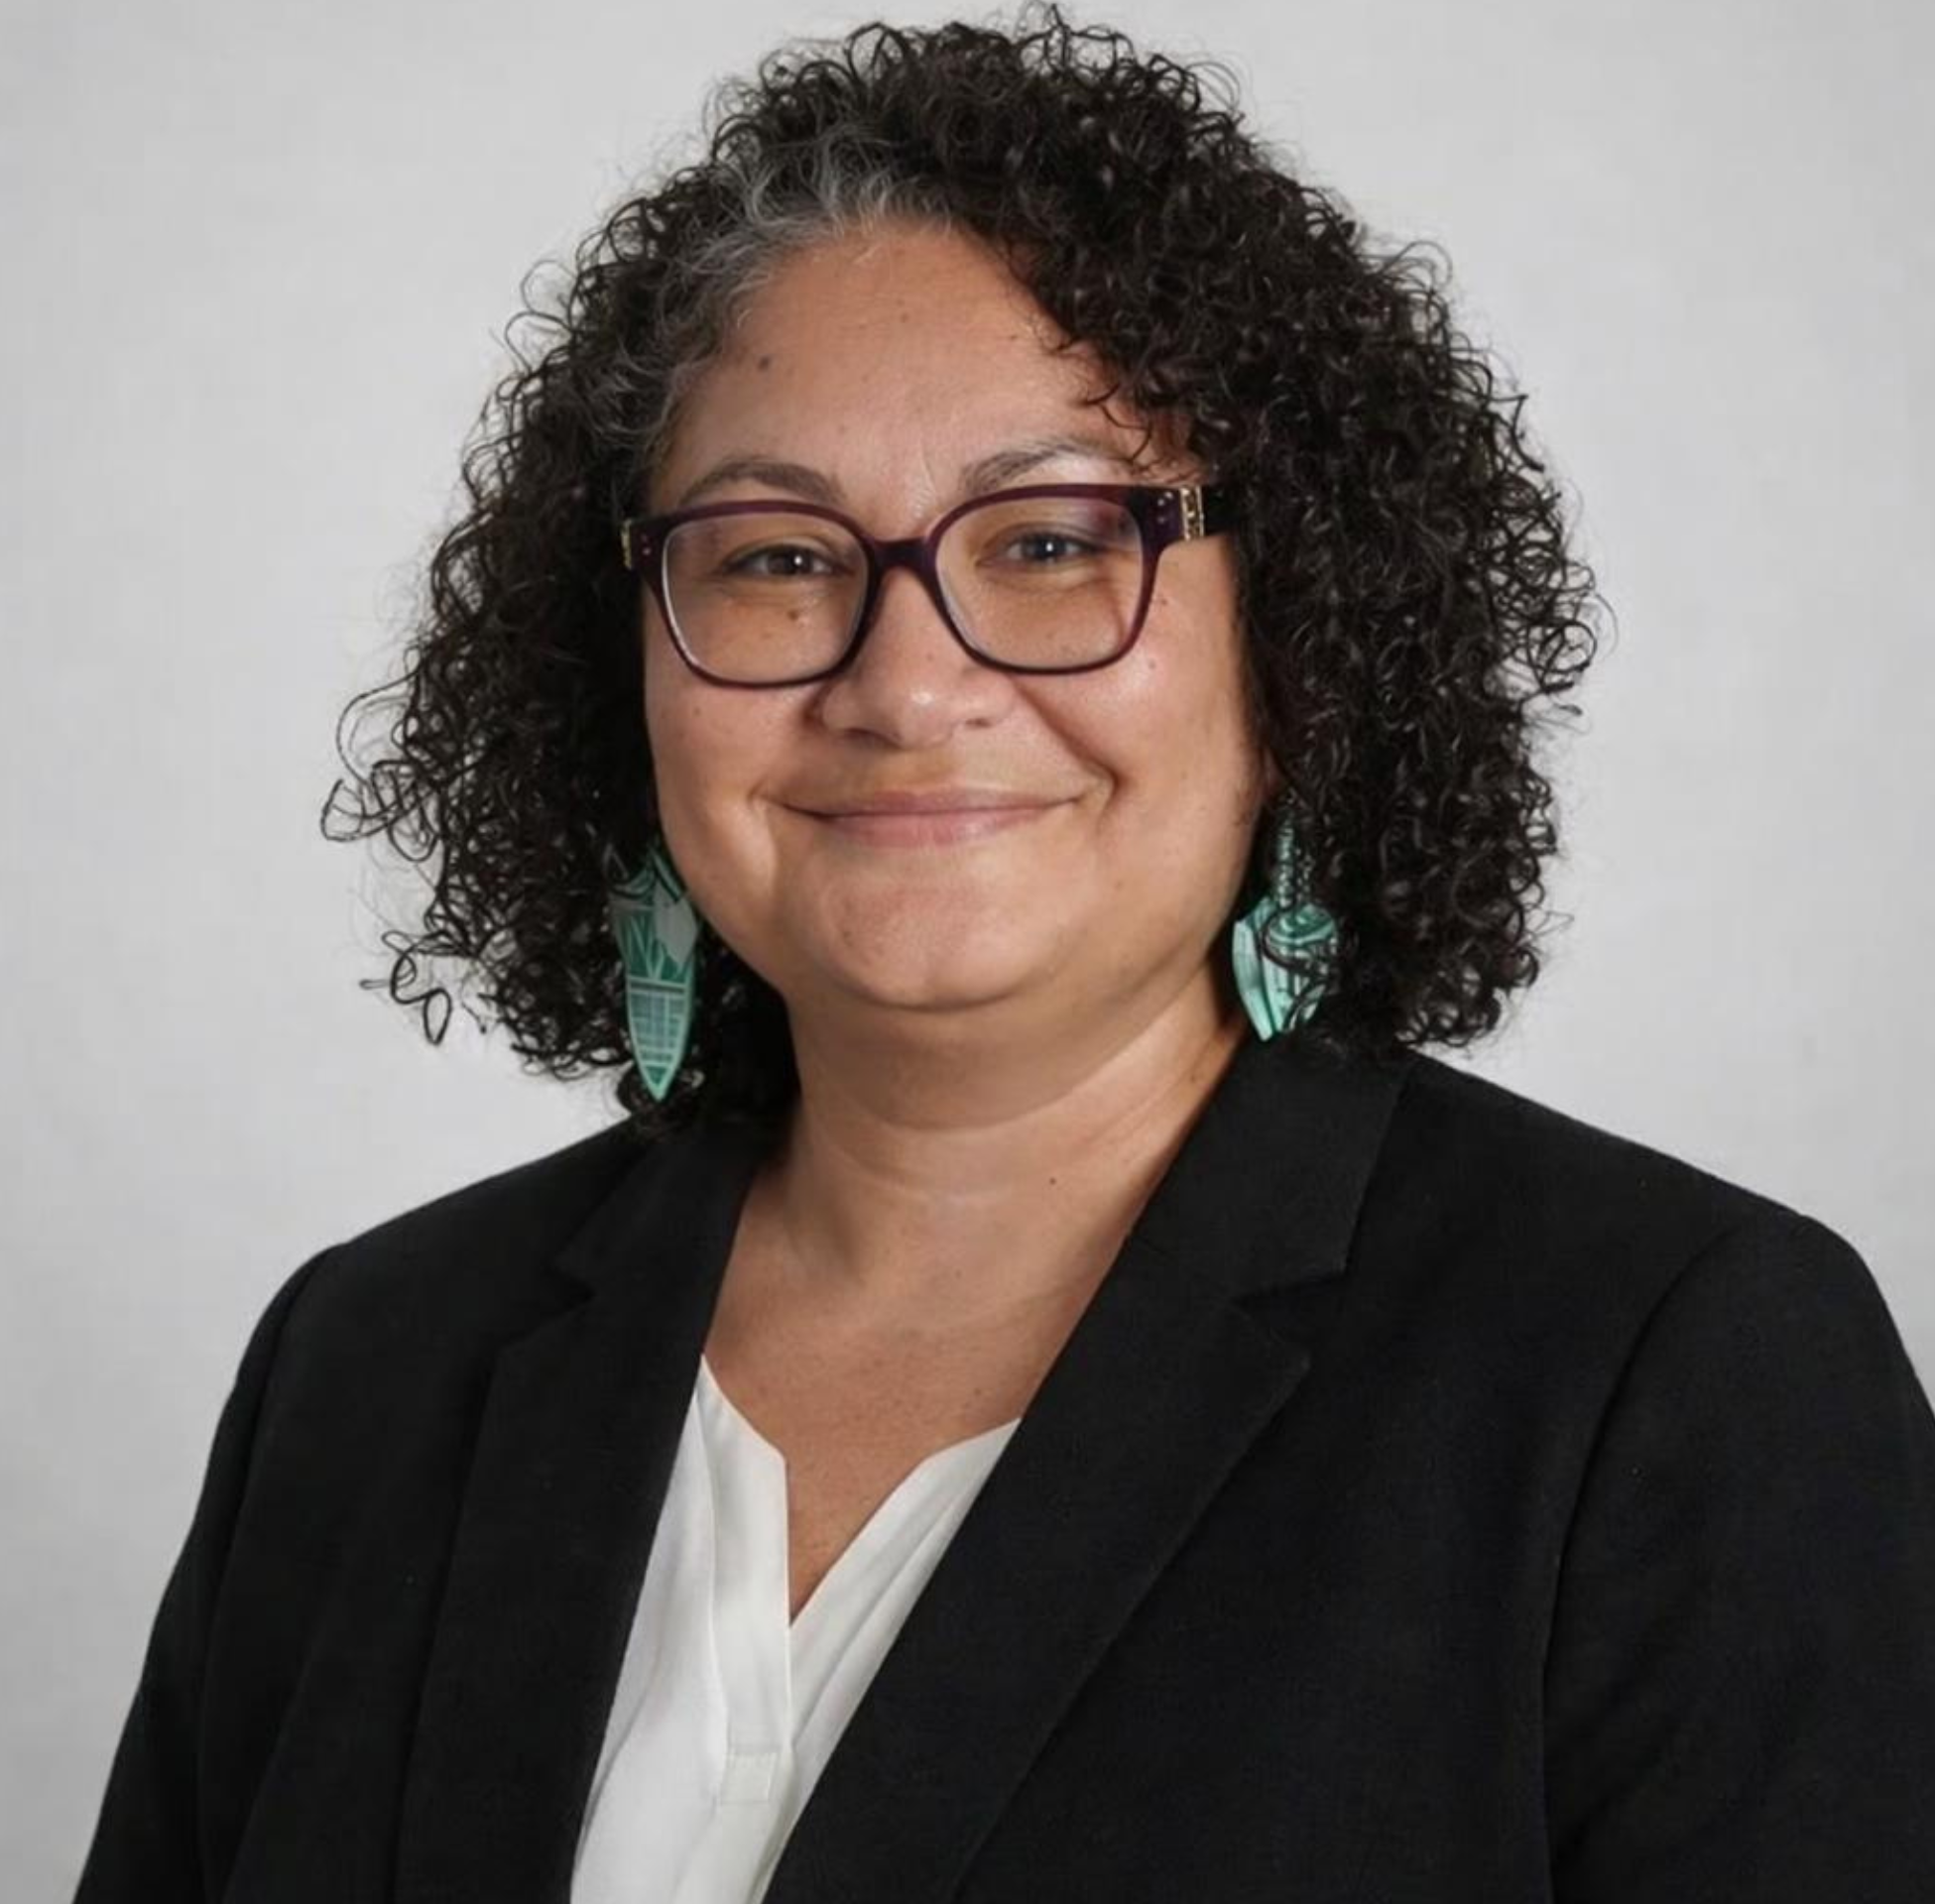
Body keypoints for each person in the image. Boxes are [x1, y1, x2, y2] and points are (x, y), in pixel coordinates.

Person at [74, 8, 1935, 1902]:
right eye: (774, 556)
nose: (903, 686)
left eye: (1049, 543)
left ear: (1297, 640)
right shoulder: (371, 1365)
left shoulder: (1671, 1379)